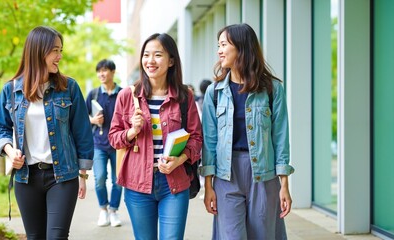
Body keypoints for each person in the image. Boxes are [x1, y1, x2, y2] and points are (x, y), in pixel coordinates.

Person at [0, 26, 94, 239]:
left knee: (56, 237)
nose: (60, 56)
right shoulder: (11, 90)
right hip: (26, 178)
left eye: (61, 50)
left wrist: (83, 175)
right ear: (39, 51)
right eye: (55, 50)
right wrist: (10, 152)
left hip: (62, 177)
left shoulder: (70, 88)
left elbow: (82, 133)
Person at [200, 23, 295, 240]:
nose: (219, 50)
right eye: (218, 45)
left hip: (264, 174)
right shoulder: (214, 93)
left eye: (224, 45)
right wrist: (208, 185)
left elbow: (281, 138)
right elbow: (209, 142)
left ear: (241, 48)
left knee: (263, 235)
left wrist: (284, 185)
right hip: (226, 174)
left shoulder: (272, 89)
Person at [109, 33, 202, 240]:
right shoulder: (127, 95)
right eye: (146, 55)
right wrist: (132, 131)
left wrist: (180, 160)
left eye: (158, 55)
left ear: (171, 61)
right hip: (137, 183)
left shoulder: (184, 97)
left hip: (174, 183)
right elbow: (114, 138)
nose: (150, 61)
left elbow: (196, 138)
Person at [85, 59, 123, 227]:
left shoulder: (123, 93)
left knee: (118, 179)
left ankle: (113, 210)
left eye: (105, 70)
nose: (101, 74)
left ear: (113, 72)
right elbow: (81, 117)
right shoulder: (93, 94)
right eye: (99, 71)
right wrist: (93, 120)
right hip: (98, 143)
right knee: (99, 178)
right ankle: (103, 210)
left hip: (119, 144)